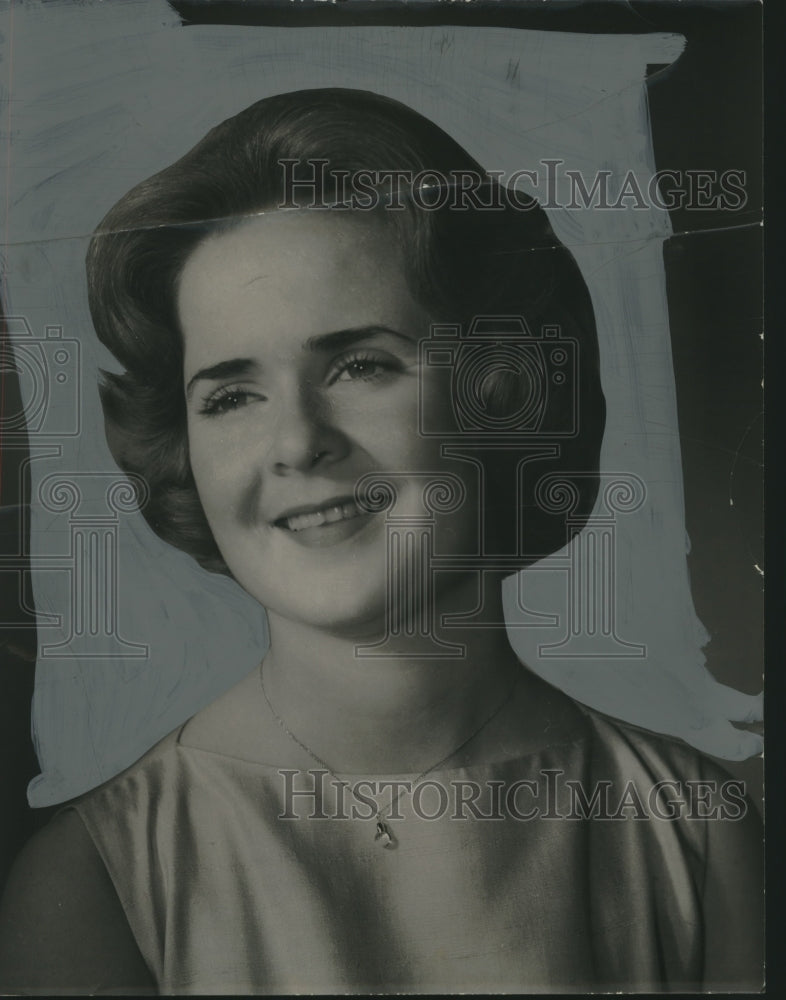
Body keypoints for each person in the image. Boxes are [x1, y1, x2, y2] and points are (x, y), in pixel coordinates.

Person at [0, 89, 762, 994]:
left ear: (501, 391)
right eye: (231, 395)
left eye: (361, 365)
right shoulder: (96, 881)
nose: (296, 442)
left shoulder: (692, 830)